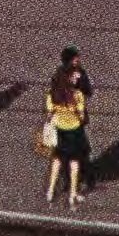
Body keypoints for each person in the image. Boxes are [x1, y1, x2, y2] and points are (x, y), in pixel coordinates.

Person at [44, 58, 91, 208]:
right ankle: (72, 194)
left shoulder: (53, 94)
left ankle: (50, 191)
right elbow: (82, 116)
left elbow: (50, 112)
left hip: (60, 130)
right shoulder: (77, 95)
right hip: (75, 131)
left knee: (57, 159)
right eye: (75, 74)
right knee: (75, 162)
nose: (78, 76)